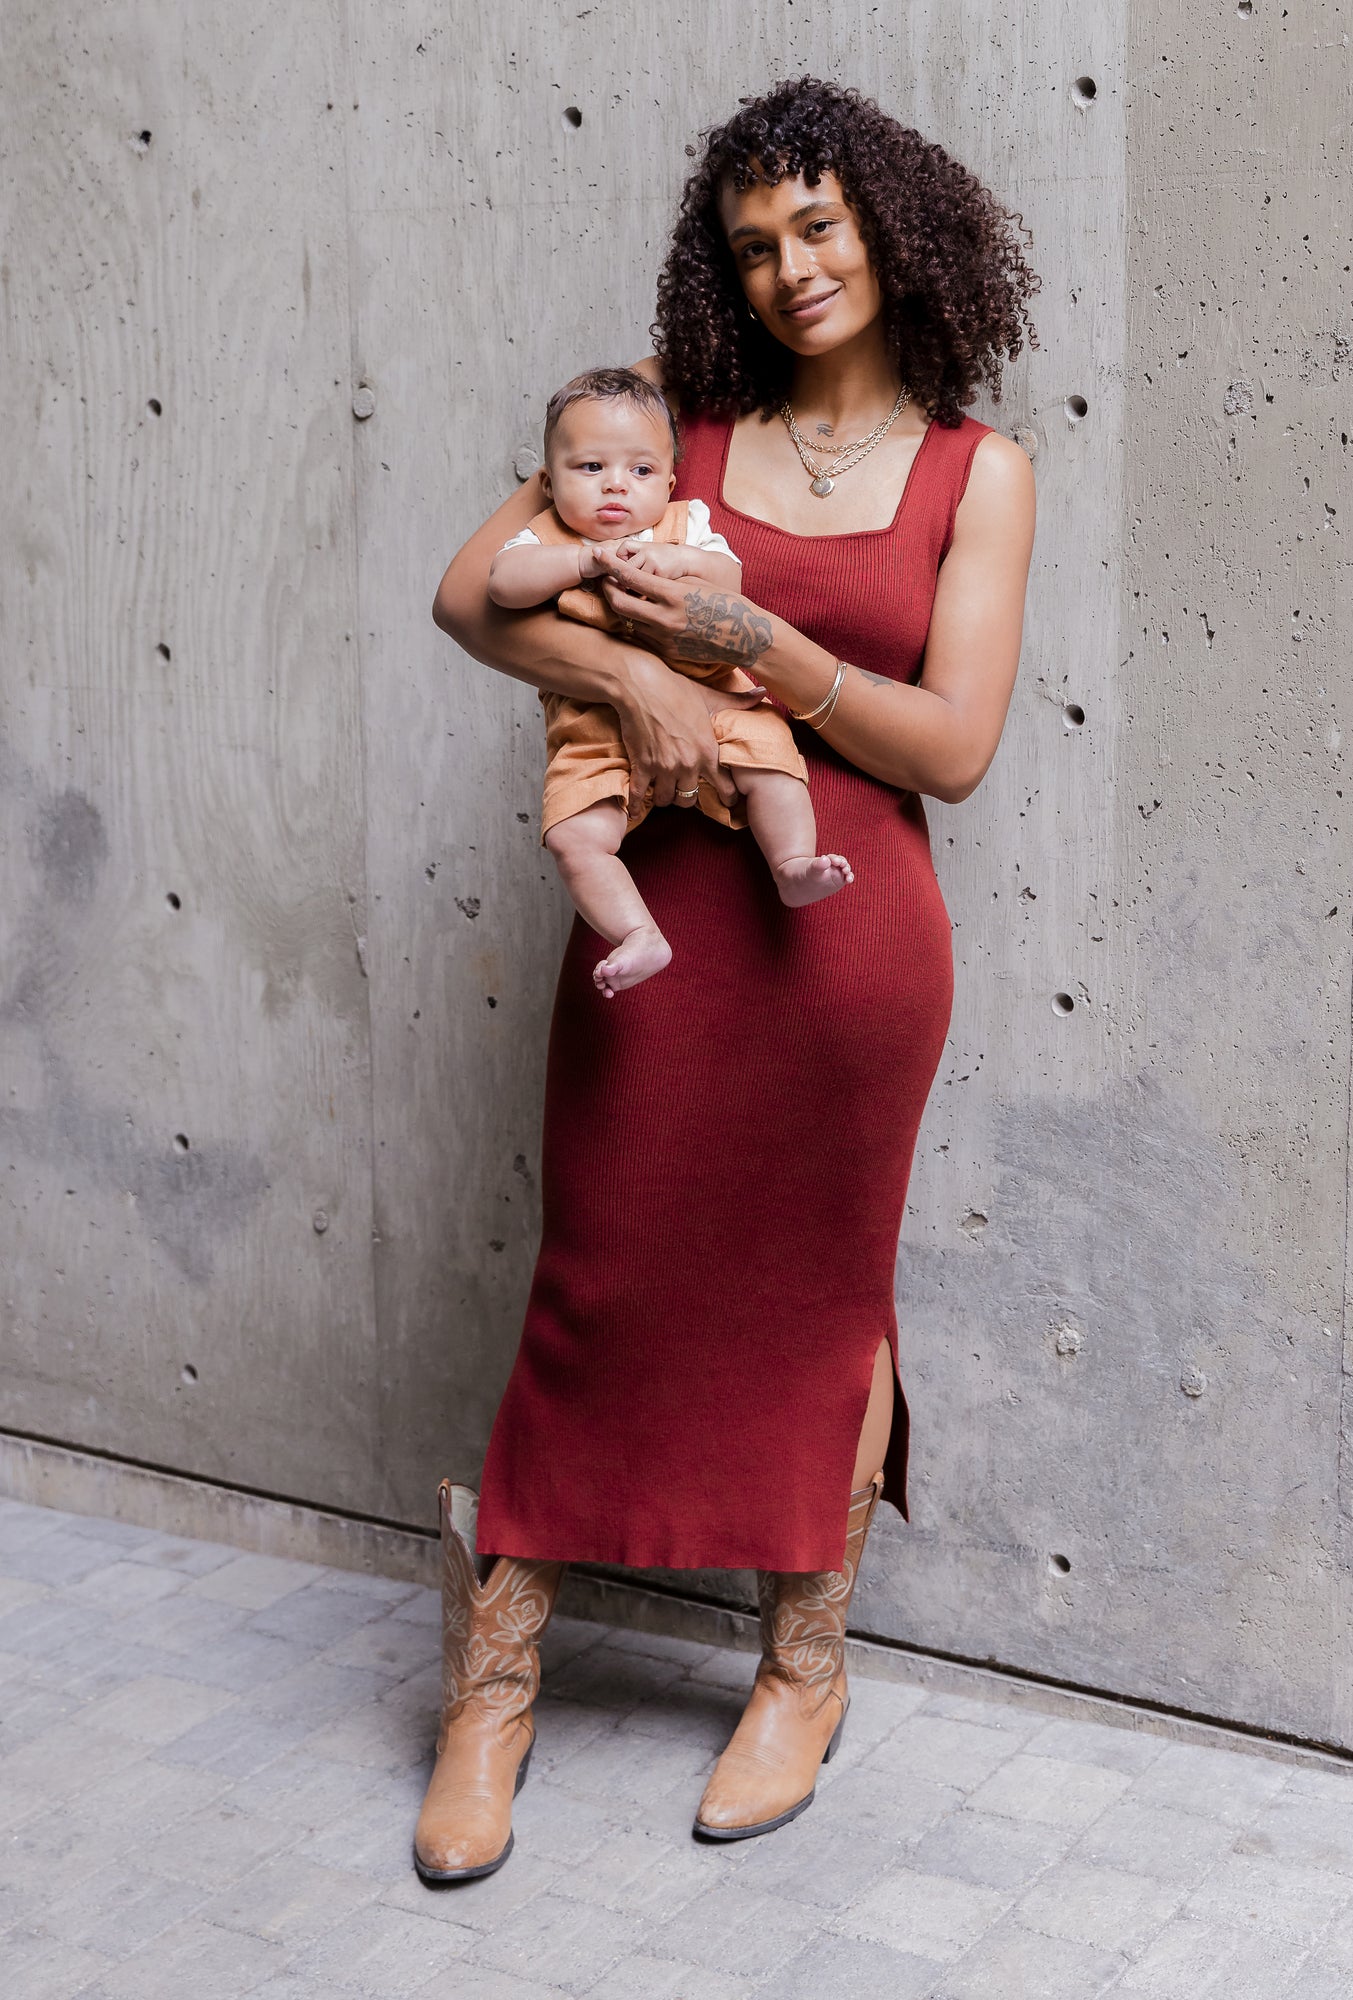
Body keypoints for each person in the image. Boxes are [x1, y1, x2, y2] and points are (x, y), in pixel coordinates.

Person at [416, 76, 1039, 1884]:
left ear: (892, 228)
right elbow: (473, 598)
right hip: (661, 934)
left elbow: (953, 747)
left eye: (821, 226)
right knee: (595, 1271)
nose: (792, 268)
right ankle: (497, 1676)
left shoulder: (974, 471)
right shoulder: (664, 436)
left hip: (851, 936)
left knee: (828, 1298)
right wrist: (651, 693)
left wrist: (762, 646)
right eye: (755, 245)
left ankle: (803, 1665)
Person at [489, 365, 852, 998]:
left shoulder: (685, 526)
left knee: (772, 758)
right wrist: (581, 560)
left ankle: (791, 864)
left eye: (640, 472)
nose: (615, 488)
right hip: (593, 728)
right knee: (572, 838)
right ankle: (637, 933)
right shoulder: (543, 540)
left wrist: (679, 559)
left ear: (670, 482)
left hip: (719, 702)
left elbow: (731, 582)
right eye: (590, 468)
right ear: (548, 483)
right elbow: (500, 586)